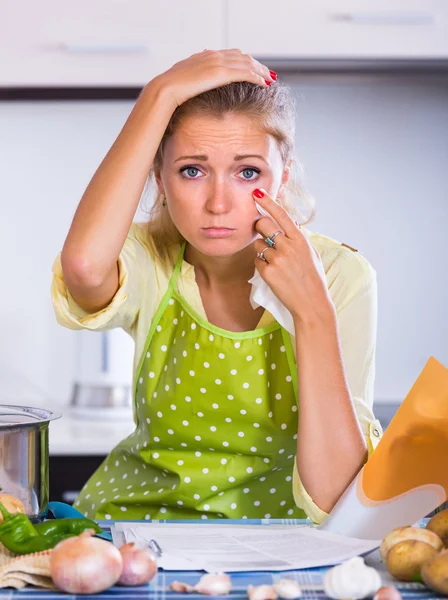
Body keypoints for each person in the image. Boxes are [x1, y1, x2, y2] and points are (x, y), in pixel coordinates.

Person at [51, 48, 383, 524]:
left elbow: (337, 500)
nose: (218, 203)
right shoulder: (151, 258)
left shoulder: (340, 277)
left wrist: (312, 311)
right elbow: (83, 268)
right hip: (132, 528)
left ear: (281, 177)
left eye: (248, 172)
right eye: (192, 170)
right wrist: (158, 94)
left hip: (280, 546)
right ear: (159, 178)